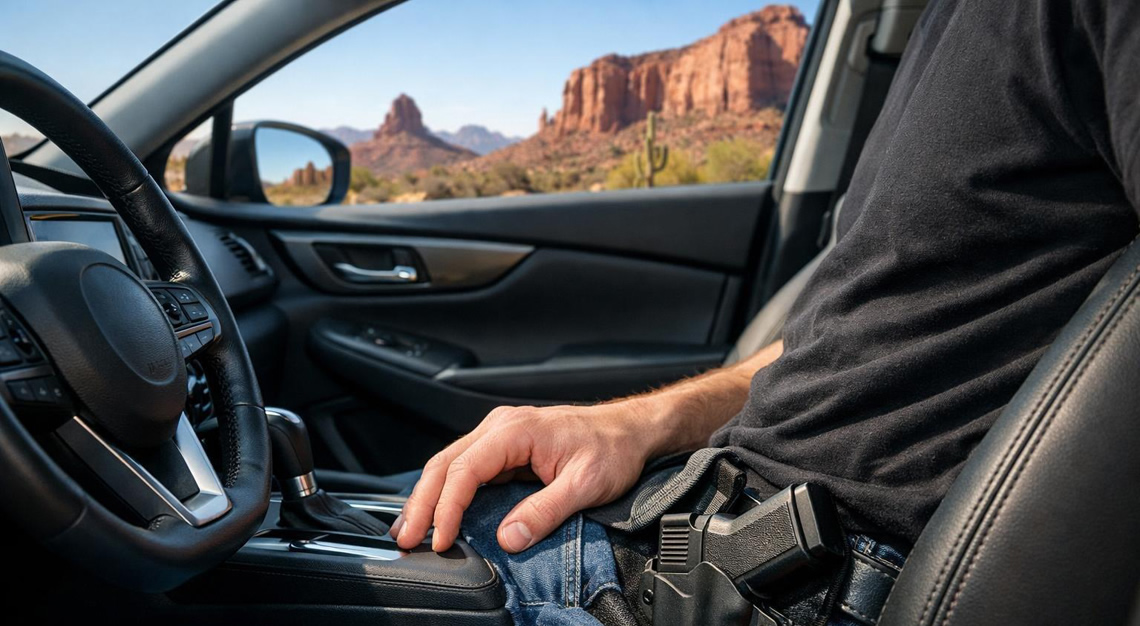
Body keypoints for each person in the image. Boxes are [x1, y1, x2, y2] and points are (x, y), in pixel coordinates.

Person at [390, 0, 1140, 623]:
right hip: (695, 526)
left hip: (802, 589)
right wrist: (635, 424)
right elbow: (820, 342)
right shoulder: (946, 30)